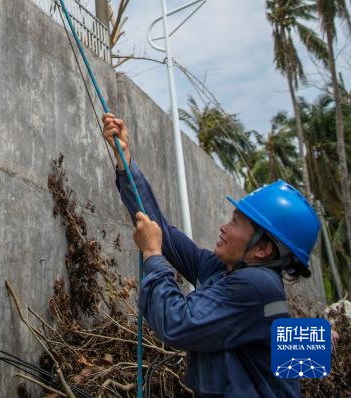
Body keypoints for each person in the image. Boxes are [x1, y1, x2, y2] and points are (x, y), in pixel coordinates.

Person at [102, 113, 321, 397]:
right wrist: (125, 160)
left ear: (263, 249)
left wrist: (152, 254)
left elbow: (176, 323)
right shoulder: (222, 271)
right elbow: (162, 230)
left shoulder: (257, 284)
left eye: (236, 223)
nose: (224, 227)